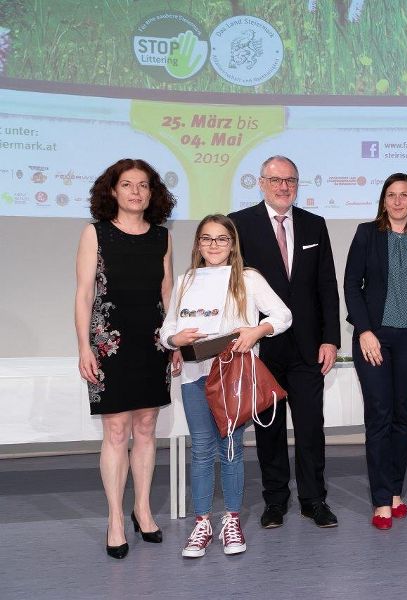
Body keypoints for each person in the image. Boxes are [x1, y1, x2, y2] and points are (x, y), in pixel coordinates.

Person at [160, 215, 292, 557]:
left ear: (232, 244)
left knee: (231, 447)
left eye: (221, 239)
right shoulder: (186, 280)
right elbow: (167, 329)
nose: (214, 245)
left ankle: (230, 521)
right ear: (198, 244)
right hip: (194, 376)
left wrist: (255, 331)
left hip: (233, 376)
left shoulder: (247, 278)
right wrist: (175, 339)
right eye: (207, 239)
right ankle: (202, 523)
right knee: (202, 449)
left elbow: (282, 315)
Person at [229, 155, 341, 529]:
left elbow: (327, 285)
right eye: (276, 180)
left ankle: (314, 500)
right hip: (263, 347)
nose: (283, 186)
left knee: (311, 427)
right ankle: (274, 501)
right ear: (261, 183)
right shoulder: (239, 224)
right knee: (268, 429)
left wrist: (331, 339)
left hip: (309, 347)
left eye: (290, 180)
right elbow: (232, 285)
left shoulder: (314, 225)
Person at [74, 158, 176, 559]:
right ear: (112, 191)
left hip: (152, 341)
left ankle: (142, 509)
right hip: (108, 343)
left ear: (153, 193)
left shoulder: (162, 237)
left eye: (145, 185)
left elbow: (168, 295)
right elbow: (84, 295)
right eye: (128, 184)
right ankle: (115, 518)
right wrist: (84, 347)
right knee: (117, 431)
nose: (137, 191)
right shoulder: (95, 233)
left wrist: (173, 344)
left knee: (147, 426)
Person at [343, 173, 407, 530]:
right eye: (391, 195)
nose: (398, 201)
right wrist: (365, 330)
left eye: (405, 195)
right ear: (383, 200)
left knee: (402, 415)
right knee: (380, 414)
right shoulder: (367, 234)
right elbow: (352, 284)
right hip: (375, 338)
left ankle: (396, 491)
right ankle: (381, 500)